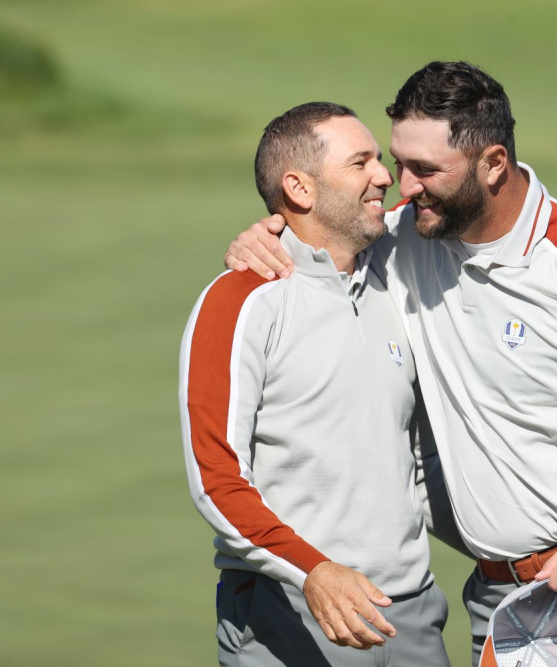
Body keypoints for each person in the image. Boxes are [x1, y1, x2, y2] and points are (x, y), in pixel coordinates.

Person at [226, 62, 557, 667]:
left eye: (426, 170)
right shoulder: (408, 238)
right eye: (396, 161)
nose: (400, 185)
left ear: (493, 164)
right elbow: (325, 233)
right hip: (503, 598)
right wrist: (266, 236)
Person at [180, 102, 454, 666]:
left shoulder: (397, 268)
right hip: (293, 609)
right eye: (362, 162)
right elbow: (217, 479)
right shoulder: (238, 301)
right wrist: (313, 570)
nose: (385, 176)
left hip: (412, 617)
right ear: (299, 189)